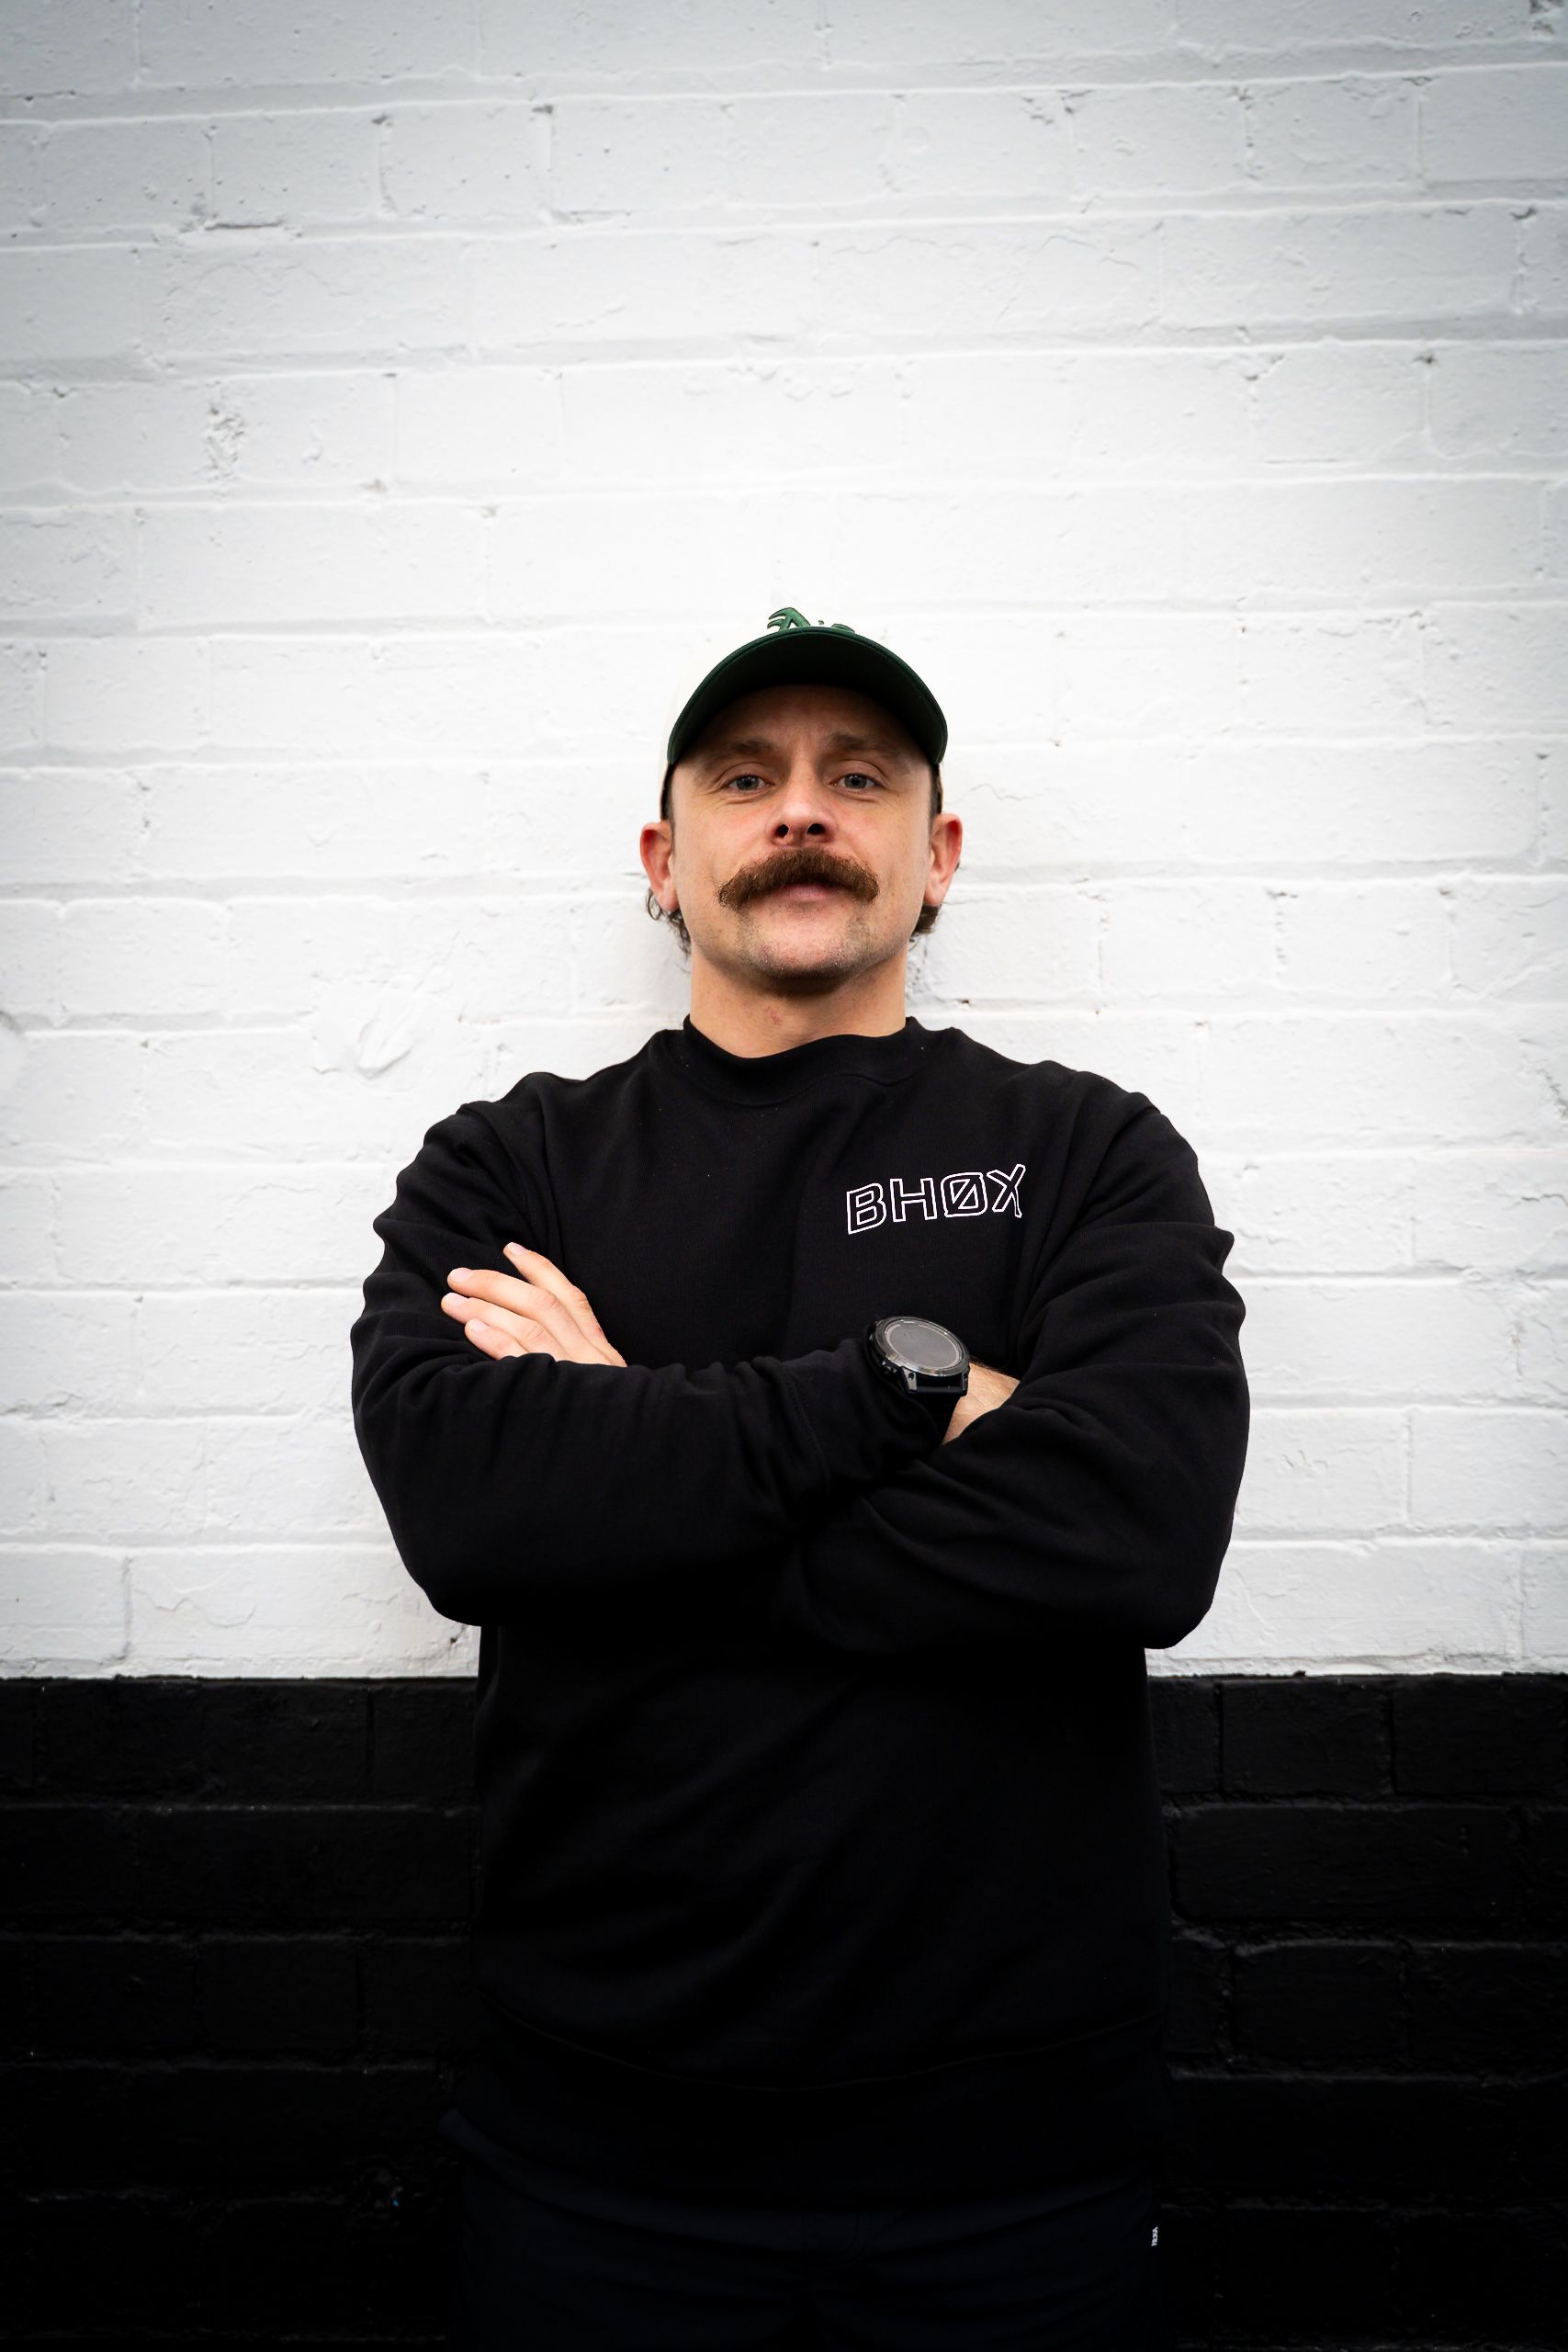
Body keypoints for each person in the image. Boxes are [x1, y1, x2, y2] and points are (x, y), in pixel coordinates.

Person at [349, 606, 1251, 2348]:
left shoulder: (1082, 1152)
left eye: (860, 777)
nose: (802, 813)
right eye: (746, 778)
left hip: (1016, 2169)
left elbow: (1136, 1535)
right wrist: (910, 1390)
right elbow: (472, 1512)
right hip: (599, 2150)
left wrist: (629, 1436)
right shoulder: (512, 1162)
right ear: (662, 857)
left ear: (939, 853)